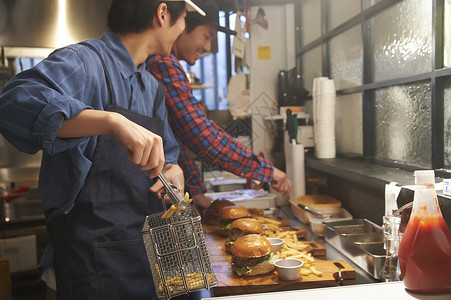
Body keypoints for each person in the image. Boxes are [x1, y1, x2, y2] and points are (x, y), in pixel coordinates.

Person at [0, 1, 205, 299]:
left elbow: (168, 154)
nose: (184, 28)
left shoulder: (152, 87)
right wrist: (110, 121)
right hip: (90, 265)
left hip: (142, 260)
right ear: (163, 14)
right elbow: (12, 105)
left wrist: (174, 170)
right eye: (184, 18)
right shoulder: (84, 62)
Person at [146, 0, 292, 212]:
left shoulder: (165, 64)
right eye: (207, 36)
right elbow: (201, 134)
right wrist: (267, 171)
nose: (207, 47)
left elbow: (178, 139)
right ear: (183, 26)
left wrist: (195, 193)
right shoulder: (163, 62)